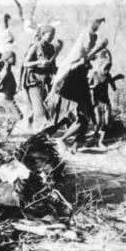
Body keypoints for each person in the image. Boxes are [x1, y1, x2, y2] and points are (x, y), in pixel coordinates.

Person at [44, 18, 107, 153]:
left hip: (80, 88)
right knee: (80, 119)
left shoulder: (84, 55)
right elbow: (68, 68)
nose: (93, 43)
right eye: (91, 42)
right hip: (71, 89)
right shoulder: (76, 55)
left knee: (83, 119)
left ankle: (73, 145)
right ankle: (61, 140)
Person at [21, 25, 59, 130]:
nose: (52, 37)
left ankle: (33, 125)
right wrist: (39, 62)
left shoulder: (52, 48)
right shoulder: (35, 47)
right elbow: (25, 63)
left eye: (53, 35)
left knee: (46, 105)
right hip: (34, 81)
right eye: (50, 35)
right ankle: (39, 129)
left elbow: (53, 65)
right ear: (42, 34)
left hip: (46, 81)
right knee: (39, 110)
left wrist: (56, 72)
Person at [87, 49, 124, 148]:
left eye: (109, 67)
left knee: (106, 122)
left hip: (106, 102)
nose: (108, 69)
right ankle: (94, 137)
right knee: (98, 122)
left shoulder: (107, 75)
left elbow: (111, 82)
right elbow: (86, 86)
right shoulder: (94, 74)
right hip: (97, 102)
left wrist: (116, 80)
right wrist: (93, 87)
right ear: (100, 65)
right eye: (106, 67)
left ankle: (101, 141)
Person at [0, 50, 23, 135]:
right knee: (18, 116)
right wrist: (1, 90)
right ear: (7, 59)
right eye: (13, 58)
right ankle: (1, 125)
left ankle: (5, 134)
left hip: (6, 97)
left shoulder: (6, 70)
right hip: (5, 97)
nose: (15, 60)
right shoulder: (6, 71)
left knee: (13, 116)